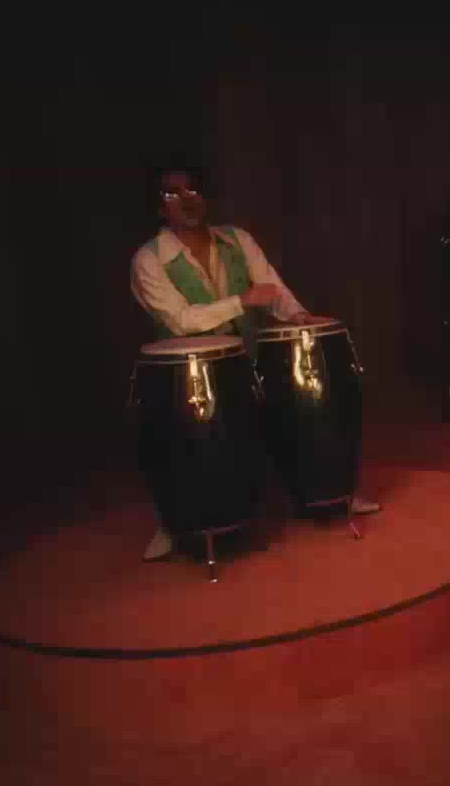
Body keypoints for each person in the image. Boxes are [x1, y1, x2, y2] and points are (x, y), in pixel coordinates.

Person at [129, 165, 377, 561]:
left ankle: (329, 489)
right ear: (160, 207)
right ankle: (176, 520)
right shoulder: (149, 259)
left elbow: (271, 289)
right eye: (173, 194)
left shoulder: (237, 240)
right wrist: (242, 301)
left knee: (300, 398)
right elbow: (180, 319)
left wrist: (298, 316)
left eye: (193, 190)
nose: (186, 200)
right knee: (189, 446)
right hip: (186, 374)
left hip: (247, 359)